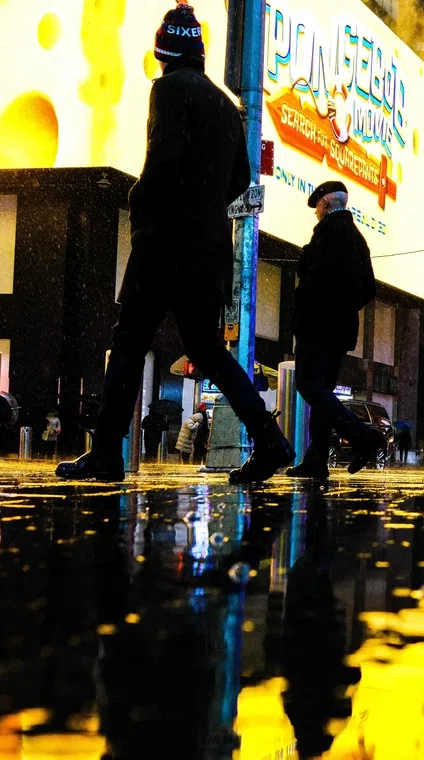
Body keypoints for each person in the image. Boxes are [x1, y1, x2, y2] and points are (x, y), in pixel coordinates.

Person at [56, 4, 292, 484]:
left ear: (165, 50)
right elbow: (240, 179)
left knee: (128, 341)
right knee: (208, 350)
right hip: (208, 248)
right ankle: (271, 441)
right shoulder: (226, 105)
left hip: (165, 240)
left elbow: (162, 156)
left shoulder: (168, 88)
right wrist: (204, 209)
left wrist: (142, 203)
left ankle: (106, 453)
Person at [283, 180, 383, 480]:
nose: (316, 214)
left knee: (308, 384)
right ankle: (316, 458)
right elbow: (368, 288)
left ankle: (362, 435)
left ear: (325, 204)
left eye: (317, 208)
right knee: (322, 389)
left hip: (317, 326)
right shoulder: (357, 238)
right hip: (341, 329)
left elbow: (312, 278)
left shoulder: (326, 233)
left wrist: (308, 273)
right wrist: (345, 306)